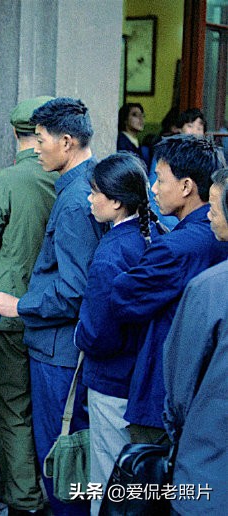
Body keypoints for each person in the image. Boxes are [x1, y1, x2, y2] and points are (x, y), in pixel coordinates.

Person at [0, 97, 106, 516]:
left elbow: (74, 289)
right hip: (69, 347)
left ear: (67, 142)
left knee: (61, 459)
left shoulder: (76, 201)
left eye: (40, 140)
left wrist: (21, 305)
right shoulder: (88, 180)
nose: (35, 149)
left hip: (57, 350)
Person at [0, 96, 57, 516]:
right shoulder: (72, 180)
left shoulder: (4, 181)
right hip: (52, 307)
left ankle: (23, 500)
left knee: (9, 408)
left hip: (6, 305)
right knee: (49, 407)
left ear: (17, 135)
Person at [110, 134, 228, 446]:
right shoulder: (213, 235)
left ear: (187, 186)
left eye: (160, 179)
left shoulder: (177, 247)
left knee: (147, 488)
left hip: (164, 395)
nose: (153, 188)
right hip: (205, 395)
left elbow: (122, 297)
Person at [74, 153, 162, 515]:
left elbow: (99, 334)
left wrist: (80, 332)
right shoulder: (157, 233)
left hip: (112, 381)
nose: (90, 200)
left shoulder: (111, 252)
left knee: (107, 479)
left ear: (117, 201)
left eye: (95, 193)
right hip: (145, 377)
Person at [164, 167, 228, 515]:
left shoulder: (209, 288)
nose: (210, 215)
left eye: (215, 207)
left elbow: (178, 388)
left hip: (208, 473)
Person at [116, 103, 150, 168]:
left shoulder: (137, 143)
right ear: (125, 119)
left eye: (143, 115)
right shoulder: (121, 142)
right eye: (135, 115)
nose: (141, 119)